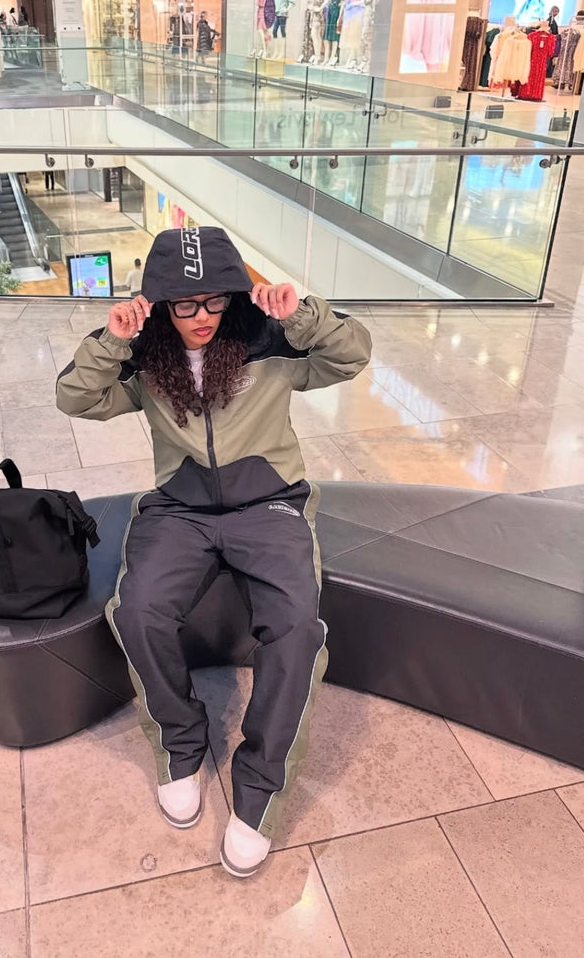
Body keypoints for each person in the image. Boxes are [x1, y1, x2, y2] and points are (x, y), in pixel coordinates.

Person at [56, 227, 372, 878]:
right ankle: (181, 744)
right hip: (179, 509)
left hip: (271, 504)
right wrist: (113, 340)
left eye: (214, 301)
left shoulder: (270, 343)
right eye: (184, 304)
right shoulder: (147, 360)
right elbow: (77, 397)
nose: (201, 317)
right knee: (136, 610)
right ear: (160, 305)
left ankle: (258, 792)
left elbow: (351, 357)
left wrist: (303, 314)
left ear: (232, 295)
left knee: (296, 629)